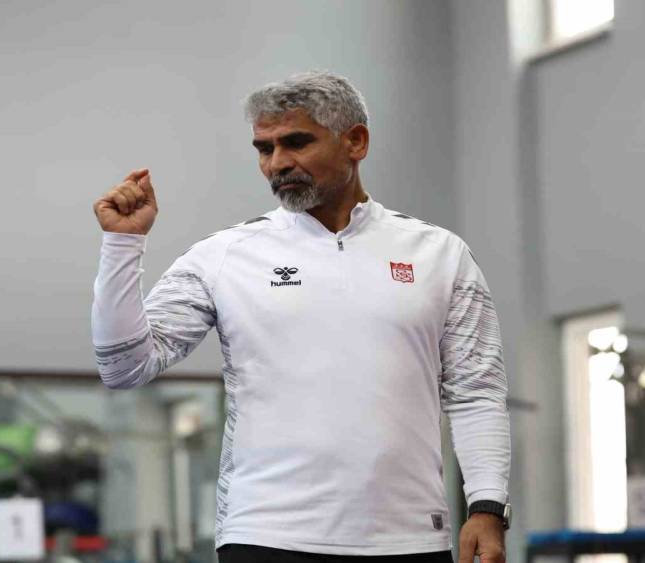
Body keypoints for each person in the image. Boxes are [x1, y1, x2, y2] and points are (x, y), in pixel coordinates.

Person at [91, 71, 511, 563]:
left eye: (296, 142)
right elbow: (123, 366)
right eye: (264, 149)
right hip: (266, 535)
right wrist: (122, 244)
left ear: (356, 141)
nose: (277, 163)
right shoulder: (223, 256)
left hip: (410, 538)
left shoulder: (440, 254)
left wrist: (487, 508)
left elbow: (477, 391)